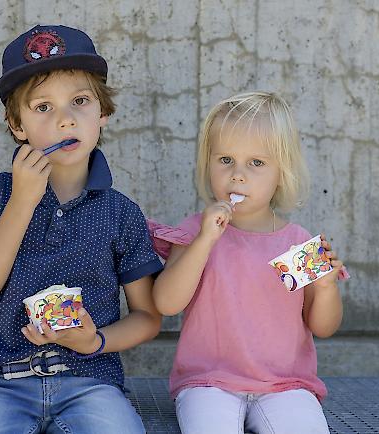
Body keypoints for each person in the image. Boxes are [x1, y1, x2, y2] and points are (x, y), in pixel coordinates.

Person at [0, 24, 163, 434]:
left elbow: (148, 316)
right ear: (17, 125)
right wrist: (22, 200)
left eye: (79, 101)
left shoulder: (122, 213)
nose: (65, 120)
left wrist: (94, 341)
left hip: (90, 382)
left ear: (103, 114)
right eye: (43, 107)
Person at [148, 91, 349, 434]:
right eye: (225, 160)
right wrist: (205, 241)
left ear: (280, 173)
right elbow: (166, 303)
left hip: (286, 385)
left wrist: (326, 287)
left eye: (256, 163)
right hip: (208, 382)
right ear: (207, 163)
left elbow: (323, 326)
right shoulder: (196, 231)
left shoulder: (297, 244)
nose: (238, 175)